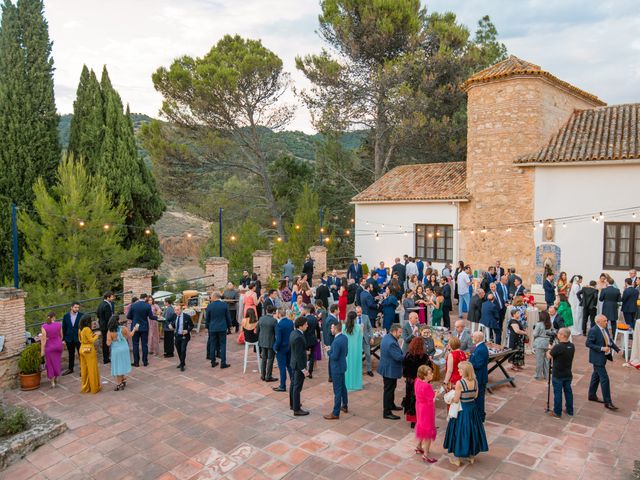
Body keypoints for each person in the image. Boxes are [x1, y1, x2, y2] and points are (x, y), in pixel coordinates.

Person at [443, 361, 489, 466]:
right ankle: (471, 456)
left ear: (466, 371)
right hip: (472, 409)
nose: (458, 370)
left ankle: (458, 459)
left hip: (462, 410)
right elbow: (476, 396)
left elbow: (455, 400)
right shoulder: (475, 381)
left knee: (459, 432)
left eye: (460, 369)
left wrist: (451, 394)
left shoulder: (460, 383)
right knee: (472, 431)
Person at [586, 314, 620, 410]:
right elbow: (588, 343)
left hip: (603, 358)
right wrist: (601, 348)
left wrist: (617, 349)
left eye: (606, 320)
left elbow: (609, 341)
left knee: (596, 376)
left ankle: (591, 395)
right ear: (598, 322)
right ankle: (608, 402)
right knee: (605, 379)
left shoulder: (604, 329)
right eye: (604, 321)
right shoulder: (593, 330)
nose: (607, 322)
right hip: (597, 359)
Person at [377, 323, 404, 419]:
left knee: (392, 388)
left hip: (387, 367)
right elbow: (399, 357)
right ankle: (387, 412)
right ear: (394, 331)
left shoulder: (387, 337)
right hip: (389, 369)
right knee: (388, 390)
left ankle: (391, 405)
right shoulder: (391, 342)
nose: (401, 334)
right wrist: (408, 355)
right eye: (400, 332)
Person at [402, 337, 430, 428]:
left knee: (411, 400)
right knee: (421, 401)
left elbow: (405, 371)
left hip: (410, 382)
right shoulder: (425, 357)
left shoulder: (408, 355)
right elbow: (429, 371)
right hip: (421, 383)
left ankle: (413, 421)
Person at [547, 328, 575, 418]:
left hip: (558, 374)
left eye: (559, 333)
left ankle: (557, 412)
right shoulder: (572, 346)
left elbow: (549, 356)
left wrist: (549, 349)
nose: (557, 335)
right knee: (568, 392)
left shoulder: (558, 347)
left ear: (563, 335)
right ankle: (570, 410)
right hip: (568, 373)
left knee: (558, 393)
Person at [323, 321, 349, 420]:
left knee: (337, 391)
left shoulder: (337, 341)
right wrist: (332, 348)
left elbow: (334, 356)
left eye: (332, 328)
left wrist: (328, 351)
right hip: (342, 366)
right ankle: (345, 405)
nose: (331, 329)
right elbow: (345, 352)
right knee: (343, 387)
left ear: (336, 329)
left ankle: (335, 413)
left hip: (336, 368)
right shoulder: (344, 338)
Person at [414, 365, 438, 463]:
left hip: (419, 406)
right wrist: (436, 394)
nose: (432, 374)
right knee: (428, 431)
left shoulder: (417, 381)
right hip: (427, 410)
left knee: (422, 426)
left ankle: (419, 446)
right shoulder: (427, 386)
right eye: (430, 373)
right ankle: (426, 455)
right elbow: (431, 400)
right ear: (424, 376)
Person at [126, 293, 157, 367]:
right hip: (144, 328)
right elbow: (151, 317)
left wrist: (135, 319)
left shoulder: (133, 305)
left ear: (140, 297)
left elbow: (128, 316)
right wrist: (158, 317)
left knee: (135, 344)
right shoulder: (147, 306)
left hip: (135, 328)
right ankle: (145, 362)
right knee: (144, 345)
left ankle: (136, 362)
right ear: (145, 298)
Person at [106, 315, 133, 391]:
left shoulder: (109, 331)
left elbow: (108, 343)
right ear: (118, 321)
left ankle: (119, 384)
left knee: (117, 366)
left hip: (116, 350)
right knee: (122, 364)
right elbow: (130, 335)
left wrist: (111, 340)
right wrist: (134, 329)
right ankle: (123, 379)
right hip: (124, 348)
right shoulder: (123, 328)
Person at [205, 291, 232, 368]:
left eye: (211, 297)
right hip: (222, 327)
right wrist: (230, 326)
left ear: (215, 297)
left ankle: (213, 362)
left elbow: (207, 318)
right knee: (223, 345)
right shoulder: (224, 305)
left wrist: (207, 327)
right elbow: (228, 317)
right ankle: (223, 363)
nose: (211, 298)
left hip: (212, 328)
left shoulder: (210, 306)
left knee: (212, 344)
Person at [289, 316, 309, 416]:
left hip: (293, 362)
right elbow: (298, 355)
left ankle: (293, 404)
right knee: (297, 386)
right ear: (300, 326)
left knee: (293, 384)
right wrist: (303, 369)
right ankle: (296, 409)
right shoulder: (299, 337)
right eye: (305, 324)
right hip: (298, 365)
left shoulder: (293, 333)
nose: (307, 325)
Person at [469, 332, 489, 422]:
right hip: (479, 376)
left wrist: (469, 364)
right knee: (478, 397)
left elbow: (478, 364)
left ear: (477, 338)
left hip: (479, 377)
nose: (472, 337)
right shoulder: (480, 346)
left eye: (473, 336)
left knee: (479, 398)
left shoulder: (481, 349)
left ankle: (480, 417)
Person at [273, 308, 294, 392]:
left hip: (281, 348)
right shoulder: (290, 322)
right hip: (289, 347)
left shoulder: (279, 325)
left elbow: (278, 339)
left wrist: (275, 348)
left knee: (282, 367)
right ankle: (293, 382)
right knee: (289, 366)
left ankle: (282, 385)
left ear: (279, 315)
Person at [78, 316, 101, 394]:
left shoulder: (80, 329)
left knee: (84, 369)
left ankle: (86, 387)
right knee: (92, 369)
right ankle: (94, 387)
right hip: (89, 350)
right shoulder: (87, 329)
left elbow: (81, 339)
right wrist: (97, 335)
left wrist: (93, 335)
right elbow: (91, 340)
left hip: (82, 349)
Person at [41, 312, 63, 388]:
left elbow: (43, 339)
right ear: (54, 317)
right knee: (57, 362)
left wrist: (42, 350)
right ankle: (56, 377)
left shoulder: (44, 326)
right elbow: (61, 336)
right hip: (58, 345)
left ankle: (52, 382)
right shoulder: (59, 324)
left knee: (50, 364)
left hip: (50, 346)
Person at [61, 302, 83, 375]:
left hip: (79, 338)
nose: (77, 309)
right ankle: (70, 369)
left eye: (78, 307)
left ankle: (83, 369)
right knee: (71, 354)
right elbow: (64, 328)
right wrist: (63, 339)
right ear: (71, 307)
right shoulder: (66, 316)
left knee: (81, 354)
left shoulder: (81, 315)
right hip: (69, 338)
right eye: (75, 307)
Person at [258, 305, 278, 381]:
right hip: (270, 341)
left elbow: (257, 330)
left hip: (262, 341)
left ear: (266, 311)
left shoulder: (261, 318)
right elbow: (276, 333)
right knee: (270, 359)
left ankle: (263, 375)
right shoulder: (274, 320)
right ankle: (268, 376)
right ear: (273, 312)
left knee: (264, 359)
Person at [344, 311, 363, 391]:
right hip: (356, 350)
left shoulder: (343, 327)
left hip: (346, 350)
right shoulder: (359, 327)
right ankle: (356, 384)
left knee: (347, 367)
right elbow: (361, 338)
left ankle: (347, 384)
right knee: (356, 366)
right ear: (355, 318)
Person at [532, 311, 554, 380]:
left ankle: (538, 376)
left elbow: (535, 334)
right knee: (547, 360)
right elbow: (552, 332)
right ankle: (547, 375)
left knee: (539, 360)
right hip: (548, 343)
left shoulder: (539, 324)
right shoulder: (550, 323)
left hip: (540, 343)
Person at [322, 304, 340, 382]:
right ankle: (331, 376)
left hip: (331, 341)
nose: (339, 311)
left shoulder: (331, 318)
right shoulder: (331, 319)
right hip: (331, 341)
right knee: (332, 359)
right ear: (335, 310)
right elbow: (330, 332)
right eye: (338, 309)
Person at [96, 291, 115, 364]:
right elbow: (108, 318)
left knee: (105, 341)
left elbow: (97, 314)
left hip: (102, 325)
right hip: (107, 326)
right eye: (112, 296)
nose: (113, 298)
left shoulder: (101, 304)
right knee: (107, 342)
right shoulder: (106, 305)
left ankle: (106, 357)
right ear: (108, 297)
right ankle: (106, 358)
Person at [355, 306, 374, 377]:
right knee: (358, 356)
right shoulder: (353, 318)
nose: (359, 314)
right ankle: (359, 370)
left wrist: (371, 337)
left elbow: (370, 328)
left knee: (368, 354)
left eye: (360, 312)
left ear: (362, 311)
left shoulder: (366, 317)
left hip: (365, 339)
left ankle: (369, 370)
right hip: (357, 340)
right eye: (357, 312)